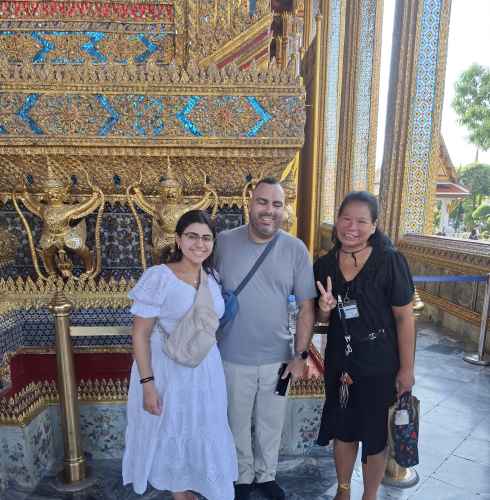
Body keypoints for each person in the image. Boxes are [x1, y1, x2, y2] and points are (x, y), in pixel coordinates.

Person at [122, 209, 238, 499]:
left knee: (204, 428)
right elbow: (140, 333)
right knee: (174, 428)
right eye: (192, 236)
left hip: (207, 371)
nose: (199, 244)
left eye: (206, 238)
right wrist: (147, 385)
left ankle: (197, 486)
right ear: (178, 239)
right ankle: (180, 492)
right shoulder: (159, 277)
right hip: (169, 371)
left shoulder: (212, 277)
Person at [215, 177, 316, 500]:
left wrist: (300, 356)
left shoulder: (295, 249)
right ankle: (242, 477)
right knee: (236, 420)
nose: (269, 211)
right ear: (250, 202)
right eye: (262, 202)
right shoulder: (222, 243)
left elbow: (306, 308)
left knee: (271, 422)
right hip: (231, 354)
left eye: (276, 204)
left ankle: (266, 475)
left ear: (283, 209)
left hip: (277, 356)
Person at [314, 191, 415, 500]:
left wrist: (407, 369)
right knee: (343, 428)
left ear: (374, 226)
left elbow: (404, 318)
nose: (351, 227)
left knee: (375, 435)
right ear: (337, 221)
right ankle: (343, 489)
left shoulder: (390, 261)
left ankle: (369, 495)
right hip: (341, 362)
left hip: (380, 362)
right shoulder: (325, 265)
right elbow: (321, 318)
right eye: (346, 219)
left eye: (361, 221)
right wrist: (325, 308)